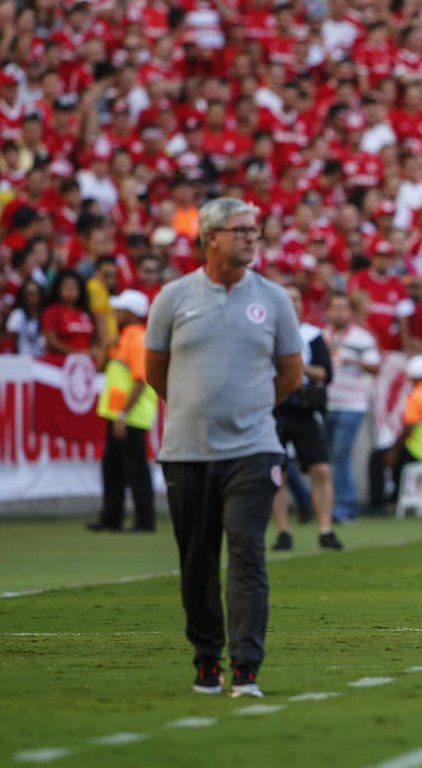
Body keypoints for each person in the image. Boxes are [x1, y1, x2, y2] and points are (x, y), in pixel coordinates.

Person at [145, 198, 304, 698]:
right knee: (196, 559)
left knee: (247, 553)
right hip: (187, 452)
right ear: (210, 238)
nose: (251, 238)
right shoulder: (172, 298)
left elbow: (291, 373)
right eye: (240, 231)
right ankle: (207, 659)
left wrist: (249, 410)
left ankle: (247, 667)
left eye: (255, 230)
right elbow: (155, 369)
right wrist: (195, 408)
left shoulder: (275, 299)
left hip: (254, 450)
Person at [269, 285, 343, 552]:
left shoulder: (312, 336)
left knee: (321, 468)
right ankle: (283, 531)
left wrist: (296, 367)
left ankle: (325, 528)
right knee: (277, 472)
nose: (294, 304)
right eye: (289, 299)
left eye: (298, 298)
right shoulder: (267, 333)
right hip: (275, 408)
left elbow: (326, 374)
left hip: (304, 408)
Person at [89, 290, 158, 532]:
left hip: (131, 416)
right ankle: (112, 518)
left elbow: (140, 381)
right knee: (113, 467)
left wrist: (123, 415)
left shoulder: (137, 338)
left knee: (135, 469)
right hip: (119, 414)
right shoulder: (124, 337)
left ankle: (144, 520)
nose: (115, 314)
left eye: (119, 310)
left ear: (130, 313)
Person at [368, 355, 422, 512]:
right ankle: (395, 497)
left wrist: (394, 451)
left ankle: (378, 504)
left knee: (379, 457)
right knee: (399, 457)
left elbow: (408, 427)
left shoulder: (417, 396)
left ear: (412, 377)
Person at [323, 292, 381, 523]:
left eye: (344, 308)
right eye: (335, 308)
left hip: (352, 404)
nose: (340, 313)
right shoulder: (321, 336)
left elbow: (375, 367)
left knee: (341, 453)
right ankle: (330, 503)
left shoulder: (361, 337)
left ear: (351, 312)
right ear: (328, 311)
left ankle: (345, 505)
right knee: (327, 456)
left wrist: (354, 361)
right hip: (326, 403)